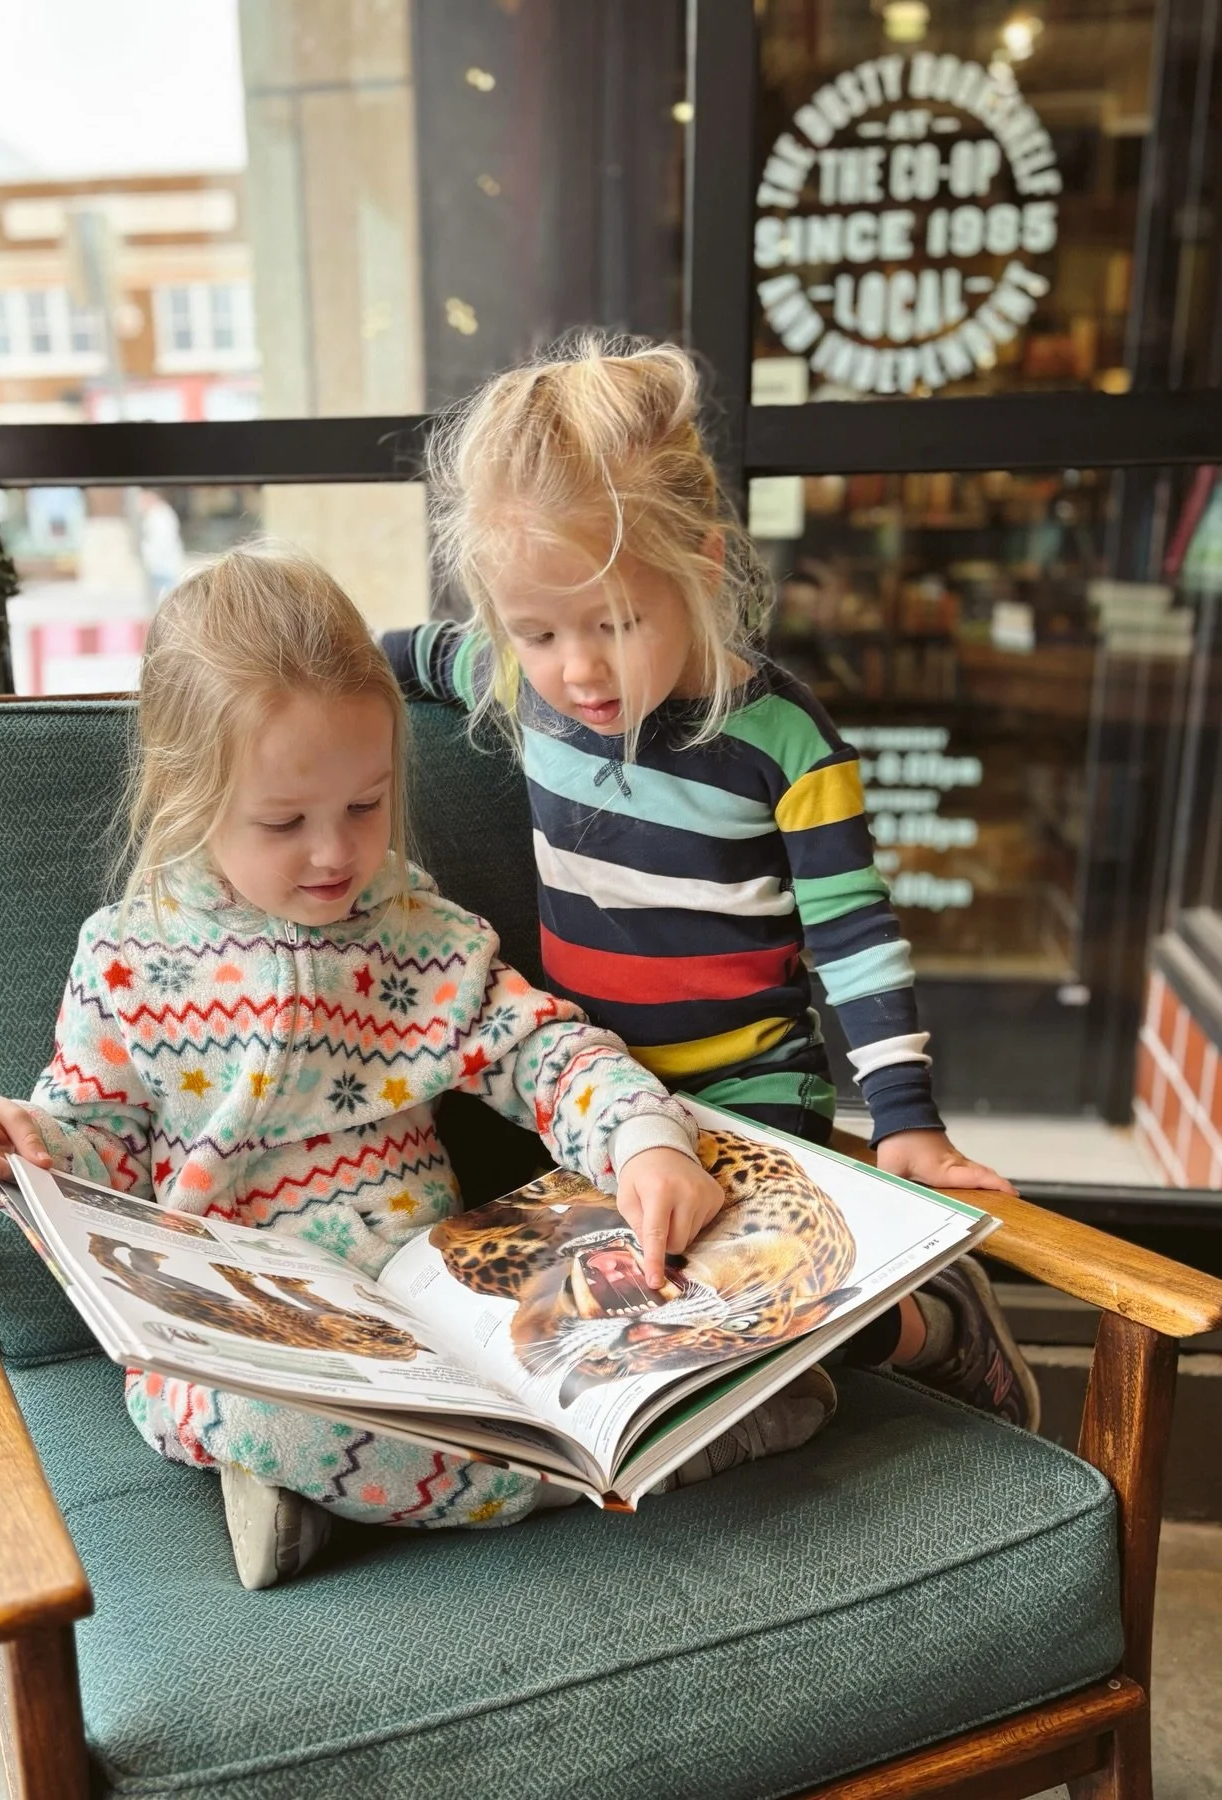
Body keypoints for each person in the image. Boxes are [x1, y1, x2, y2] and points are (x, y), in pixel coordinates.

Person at [0, 542, 837, 1590]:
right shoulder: (127, 959)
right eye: (284, 823)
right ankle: (606, 1469)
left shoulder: (416, 935)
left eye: (366, 808)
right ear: (191, 797)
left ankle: (451, 1473)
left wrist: (642, 1141)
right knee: (238, 1409)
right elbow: (92, 1137)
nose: (335, 855)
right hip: (240, 1329)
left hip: (437, 1309)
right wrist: (23, 1145)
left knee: (596, 1348)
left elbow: (547, 1049)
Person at [382, 335, 1040, 1431]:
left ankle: (944, 1328)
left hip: (751, 1097)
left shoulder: (779, 740)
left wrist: (905, 1124)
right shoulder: (517, 678)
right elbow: (391, 659)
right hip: (589, 1094)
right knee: (603, 1316)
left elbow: (856, 940)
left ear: (702, 559)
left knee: (739, 1297)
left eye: (616, 624)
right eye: (537, 630)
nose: (576, 669)